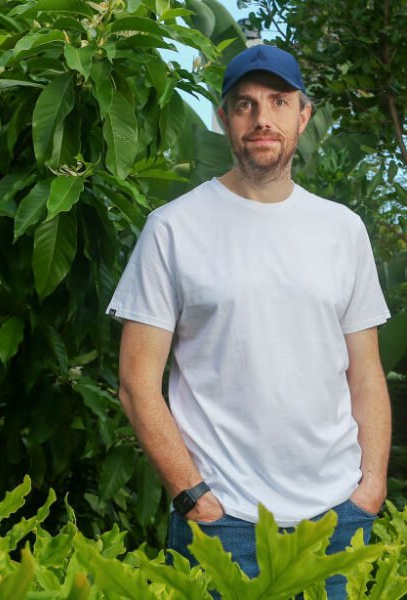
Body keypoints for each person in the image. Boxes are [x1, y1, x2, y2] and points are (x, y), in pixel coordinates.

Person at [106, 44, 391, 598]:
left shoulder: (342, 230)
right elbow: (136, 382)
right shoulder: (173, 228)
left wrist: (371, 488)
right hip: (222, 522)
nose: (263, 118)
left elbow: (366, 373)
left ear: (303, 116)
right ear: (224, 119)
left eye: (279, 102)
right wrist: (192, 496)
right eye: (245, 104)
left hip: (337, 520)